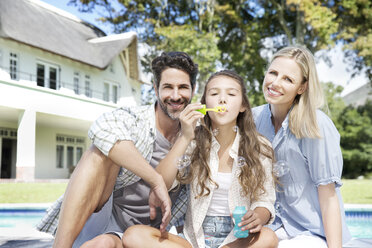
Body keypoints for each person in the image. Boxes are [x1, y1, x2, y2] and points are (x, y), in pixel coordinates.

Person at [36, 51, 198, 248]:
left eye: (182, 87)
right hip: (104, 217)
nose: (175, 96)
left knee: (103, 244)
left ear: (193, 89)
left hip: (147, 234)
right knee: (100, 151)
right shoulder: (135, 120)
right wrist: (155, 180)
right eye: (167, 87)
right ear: (155, 89)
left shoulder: (197, 137)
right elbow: (102, 129)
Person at [122, 70, 278, 248]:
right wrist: (185, 137)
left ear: (243, 105)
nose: (222, 99)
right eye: (214, 93)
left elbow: (265, 200)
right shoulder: (193, 141)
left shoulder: (260, 147)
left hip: (238, 239)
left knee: (268, 237)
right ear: (204, 105)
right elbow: (160, 185)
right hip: (194, 239)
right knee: (133, 235)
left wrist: (259, 215)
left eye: (231, 94)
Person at [252, 45, 352, 248]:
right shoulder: (253, 119)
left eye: (288, 79)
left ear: (302, 87)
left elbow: (328, 195)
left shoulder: (315, 125)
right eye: (273, 73)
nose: (275, 83)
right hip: (271, 227)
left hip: (312, 232)